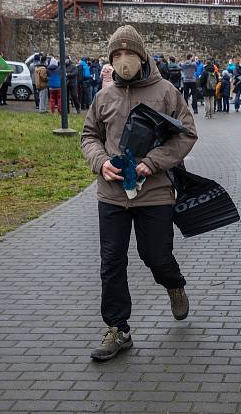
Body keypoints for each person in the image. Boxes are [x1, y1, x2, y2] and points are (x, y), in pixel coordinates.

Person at [81, 25, 198, 361]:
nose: (123, 61)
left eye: (128, 53)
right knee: (111, 261)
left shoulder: (166, 92)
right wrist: (101, 162)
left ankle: (174, 283)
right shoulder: (103, 97)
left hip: (155, 192)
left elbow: (187, 133)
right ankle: (119, 329)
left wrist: (152, 162)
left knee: (155, 256)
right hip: (112, 194)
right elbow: (89, 135)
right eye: (116, 55)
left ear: (142, 55)